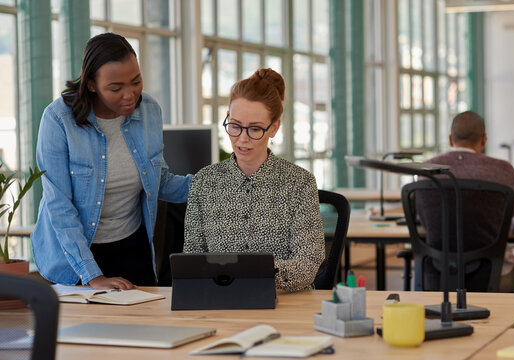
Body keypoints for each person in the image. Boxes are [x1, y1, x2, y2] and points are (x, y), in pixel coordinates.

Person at [31, 33, 192, 290]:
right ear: (92, 84)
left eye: (136, 81)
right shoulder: (58, 119)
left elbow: (159, 181)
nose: (130, 95)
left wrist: (215, 182)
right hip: (74, 255)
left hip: (131, 245)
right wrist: (92, 275)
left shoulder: (149, 110)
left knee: (145, 325)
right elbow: (59, 205)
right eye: (116, 88)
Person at [183, 68, 325, 292]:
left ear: (274, 128)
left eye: (255, 129)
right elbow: (191, 259)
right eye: (235, 126)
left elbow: (307, 263)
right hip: (219, 300)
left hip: (285, 305)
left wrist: (248, 275)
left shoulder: (299, 183)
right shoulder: (204, 183)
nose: (242, 139)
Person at [426, 110, 514, 292]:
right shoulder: (503, 171)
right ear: (484, 140)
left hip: (438, 274)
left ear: (450, 140)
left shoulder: (428, 170)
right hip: (494, 276)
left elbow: (425, 224)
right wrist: (503, 227)